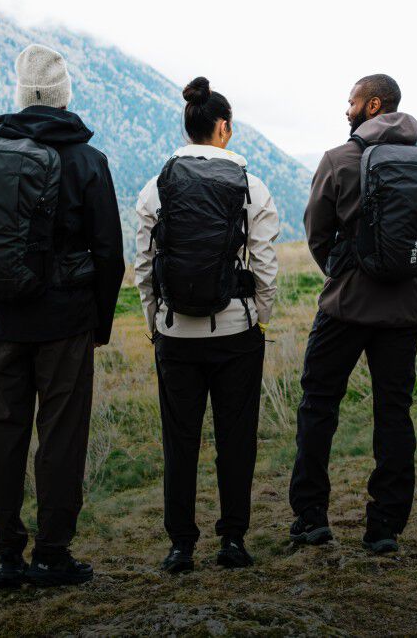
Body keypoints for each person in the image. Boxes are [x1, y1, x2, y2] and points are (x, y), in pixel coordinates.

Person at [0, 44, 125, 588]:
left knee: (3, 436)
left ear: (23, 95)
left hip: (0, 321)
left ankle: (7, 555)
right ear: (63, 95)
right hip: (65, 324)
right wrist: (97, 326)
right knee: (61, 436)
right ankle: (52, 554)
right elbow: (110, 254)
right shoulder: (88, 161)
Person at [288, 74, 417, 553]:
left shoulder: (338, 160)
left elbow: (317, 232)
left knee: (319, 406)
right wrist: (404, 267)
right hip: (404, 309)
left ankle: (311, 518)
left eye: (352, 101)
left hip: (345, 307)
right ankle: (384, 528)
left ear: (374, 105)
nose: (347, 109)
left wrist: (342, 272)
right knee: (394, 413)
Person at [135, 77, 279, 573]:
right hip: (236, 332)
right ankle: (233, 539)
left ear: (188, 126)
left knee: (179, 442)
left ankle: (181, 545)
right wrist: (260, 319)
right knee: (235, 440)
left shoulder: (156, 187)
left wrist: (156, 322)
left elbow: (144, 266)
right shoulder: (251, 187)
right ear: (224, 127)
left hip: (176, 335)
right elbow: (265, 266)